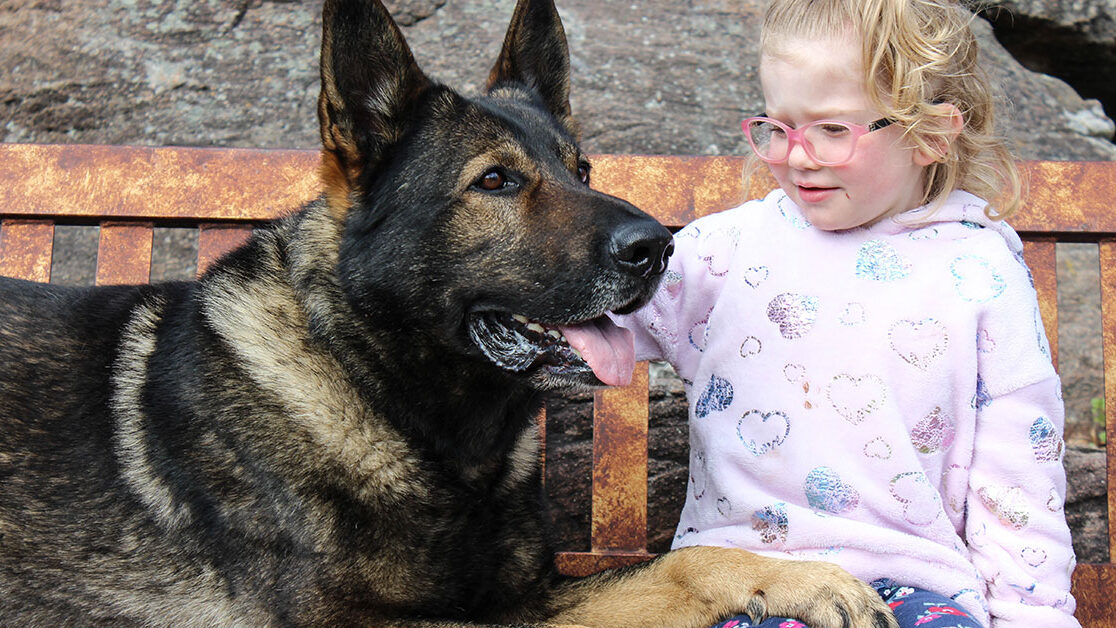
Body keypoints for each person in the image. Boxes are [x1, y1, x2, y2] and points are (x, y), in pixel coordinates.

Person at [612, 0, 1080, 626]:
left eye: (832, 130)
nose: (797, 156)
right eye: (778, 127)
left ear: (931, 136)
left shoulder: (982, 274)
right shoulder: (726, 249)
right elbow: (602, 320)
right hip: (747, 585)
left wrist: (1035, 617)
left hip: (913, 588)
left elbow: (1017, 482)